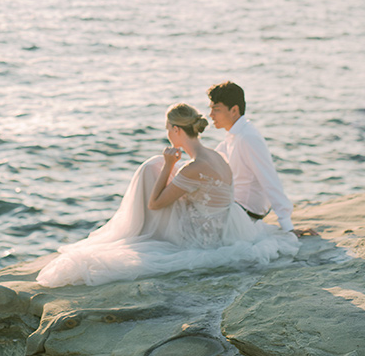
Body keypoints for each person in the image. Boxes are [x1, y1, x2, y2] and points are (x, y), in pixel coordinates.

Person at [36, 103, 298, 288]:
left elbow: (155, 203)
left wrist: (169, 165)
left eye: (167, 129)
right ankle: (137, 230)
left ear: (175, 130)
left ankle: (136, 232)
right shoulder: (217, 154)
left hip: (204, 236)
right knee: (154, 166)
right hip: (230, 226)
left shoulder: (193, 167)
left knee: (151, 168)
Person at [208, 81, 315, 237]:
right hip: (236, 207)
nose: (211, 115)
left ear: (234, 110)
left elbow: (270, 180)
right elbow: (209, 161)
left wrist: (287, 227)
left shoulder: (247, 138)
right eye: (210, 109)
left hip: (245, 214)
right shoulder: (233, 135)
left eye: (216, 110)